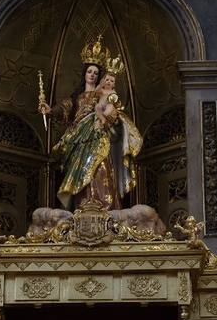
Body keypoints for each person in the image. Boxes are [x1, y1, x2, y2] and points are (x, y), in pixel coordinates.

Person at [38, 36, 143, 210]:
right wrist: (49, 110)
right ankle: (82, 206)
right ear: (84, 74)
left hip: (99, 137)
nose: (92, 75)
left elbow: (114, 113)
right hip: (78, 141)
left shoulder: (103, 95)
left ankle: (105, 206)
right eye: (89, 72)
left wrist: (108, 116)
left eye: (96, 73)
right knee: (80, 172)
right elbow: (63, 109)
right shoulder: (77, 98)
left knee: (101, 169)